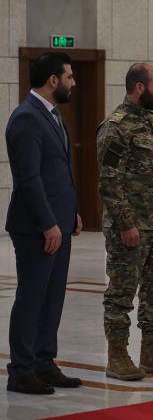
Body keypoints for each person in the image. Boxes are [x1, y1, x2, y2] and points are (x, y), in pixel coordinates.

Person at [96, 63, 153, 381]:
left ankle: (151, 351)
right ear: (139, 87)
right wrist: (125, 223)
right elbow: (109, 181)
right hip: (131, 228)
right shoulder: (116, 127)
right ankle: (117, 356)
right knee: (121, 293)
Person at [5, 52, 82, 394]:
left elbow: (59, 170)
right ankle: (21, 370)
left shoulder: (52, 115)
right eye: (69, 76)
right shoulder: (26, 118)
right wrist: (48, 222)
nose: (73, 83)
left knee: (52, 298)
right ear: (53, 80)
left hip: (59, 222)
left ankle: (44, 362)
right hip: (36, 226)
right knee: (32, 297)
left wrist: (72, 211)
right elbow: (29, 178)